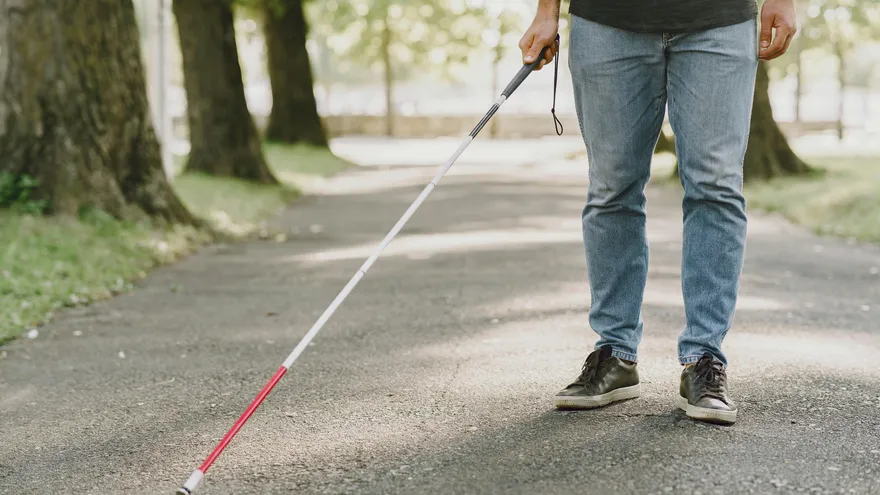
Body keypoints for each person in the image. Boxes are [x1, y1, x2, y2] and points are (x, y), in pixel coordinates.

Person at [519, 0, 796, 425]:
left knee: (716, 187)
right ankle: (614, 354)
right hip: (607, 21)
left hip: (719, 20)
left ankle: (705, 358)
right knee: (611, 188)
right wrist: (546, 11)